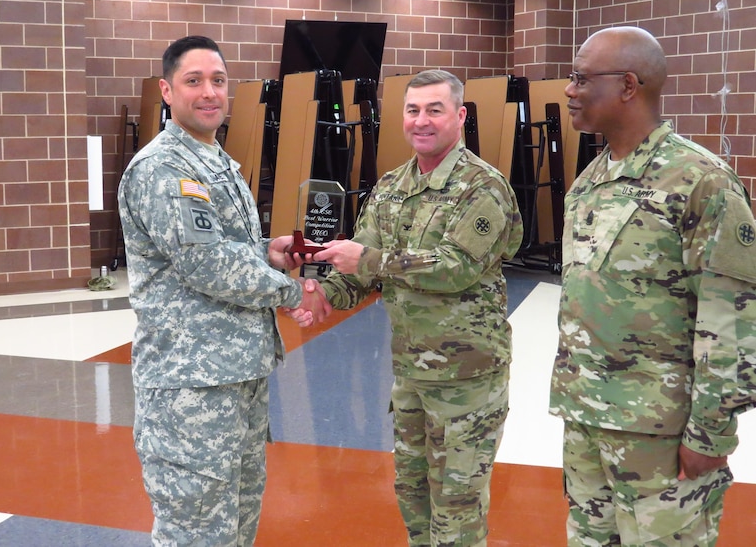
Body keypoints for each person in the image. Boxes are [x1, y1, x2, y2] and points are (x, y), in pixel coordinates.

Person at [295, 69, 524, 546]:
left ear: (459, 117)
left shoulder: (482, 187)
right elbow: (361, 267)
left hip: (467, 381)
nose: (422, 121)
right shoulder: (392, 187)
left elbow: (456, 267)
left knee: (456, 509)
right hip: (411, 374)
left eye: (434, 110)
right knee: (414, 495)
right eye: (413, 110)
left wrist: (370, 259)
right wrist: (322, 295)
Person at [550, 26, 756, 546]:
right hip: (587, 421)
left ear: (627, 85)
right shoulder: (589, 181)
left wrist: (712, 433)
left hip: (661, 435)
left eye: (580, 77)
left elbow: (730, 319)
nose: (569, 90)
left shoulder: (700, 181)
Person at [117, 35, 325, 546]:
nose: (209, 92)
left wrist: (264, 252)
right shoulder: (165, 169)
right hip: (191, 386)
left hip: (236, 376)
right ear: (167, 91)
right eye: (193, 81)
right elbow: (206, 264)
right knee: (196, 531)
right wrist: (291, 291)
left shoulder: (214, 161)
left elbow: (220, 246)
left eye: (218, 80)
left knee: (235, 521)